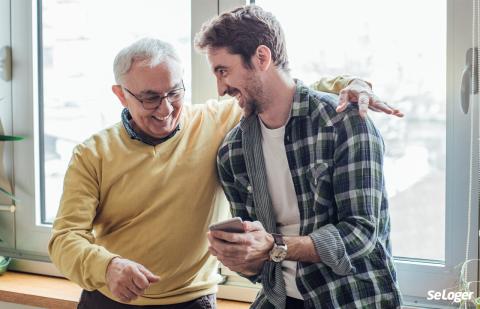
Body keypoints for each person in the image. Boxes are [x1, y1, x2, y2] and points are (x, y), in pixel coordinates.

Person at [48, 37, 399, 308]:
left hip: (194, 301)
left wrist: (349, 83)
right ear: (121, 96)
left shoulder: (215, 122)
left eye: (174, 92)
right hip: (111, 299)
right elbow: (64, 238)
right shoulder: (92, 153)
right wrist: (106, 266)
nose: (166, 108)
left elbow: (282, 89)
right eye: (150, 98)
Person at [197, 5, 402, 309]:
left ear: (262, 58)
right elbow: (258, 268)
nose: (220, 88)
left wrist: (274, 247)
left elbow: (361, 233)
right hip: (279, 299)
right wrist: (241, 253)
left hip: (350, 297)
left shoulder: (343, 124)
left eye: (223, 71)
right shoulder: (233, 152)